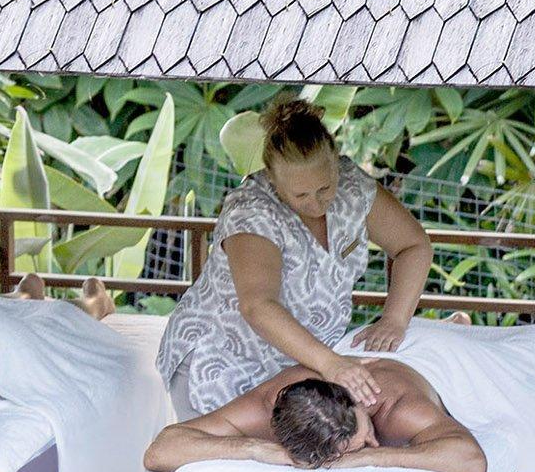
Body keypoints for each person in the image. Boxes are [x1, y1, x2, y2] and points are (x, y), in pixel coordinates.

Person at [153, 96, 431, 423]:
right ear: (272, 178)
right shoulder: (252, 210)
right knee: (214, 463)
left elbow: (413, 246)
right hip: (219, 362)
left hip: (299, 367)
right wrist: (331, 364)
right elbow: (258, 305)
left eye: (325, 188)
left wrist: (394, 320)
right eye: (300, 195)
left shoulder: (354, 186)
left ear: (336, 163)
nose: (316, 203)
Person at [142, 316, 535, 472]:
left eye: (364, 435)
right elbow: (161, 450)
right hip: (367, 348)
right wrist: (255, 448)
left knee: (522, 352)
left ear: (358, 403)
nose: (371, 444)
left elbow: (472, 460)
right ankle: (449, 325)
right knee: (439, 336)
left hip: (437, 365)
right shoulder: (272, 401)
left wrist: (371, 460)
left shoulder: (397, 408)